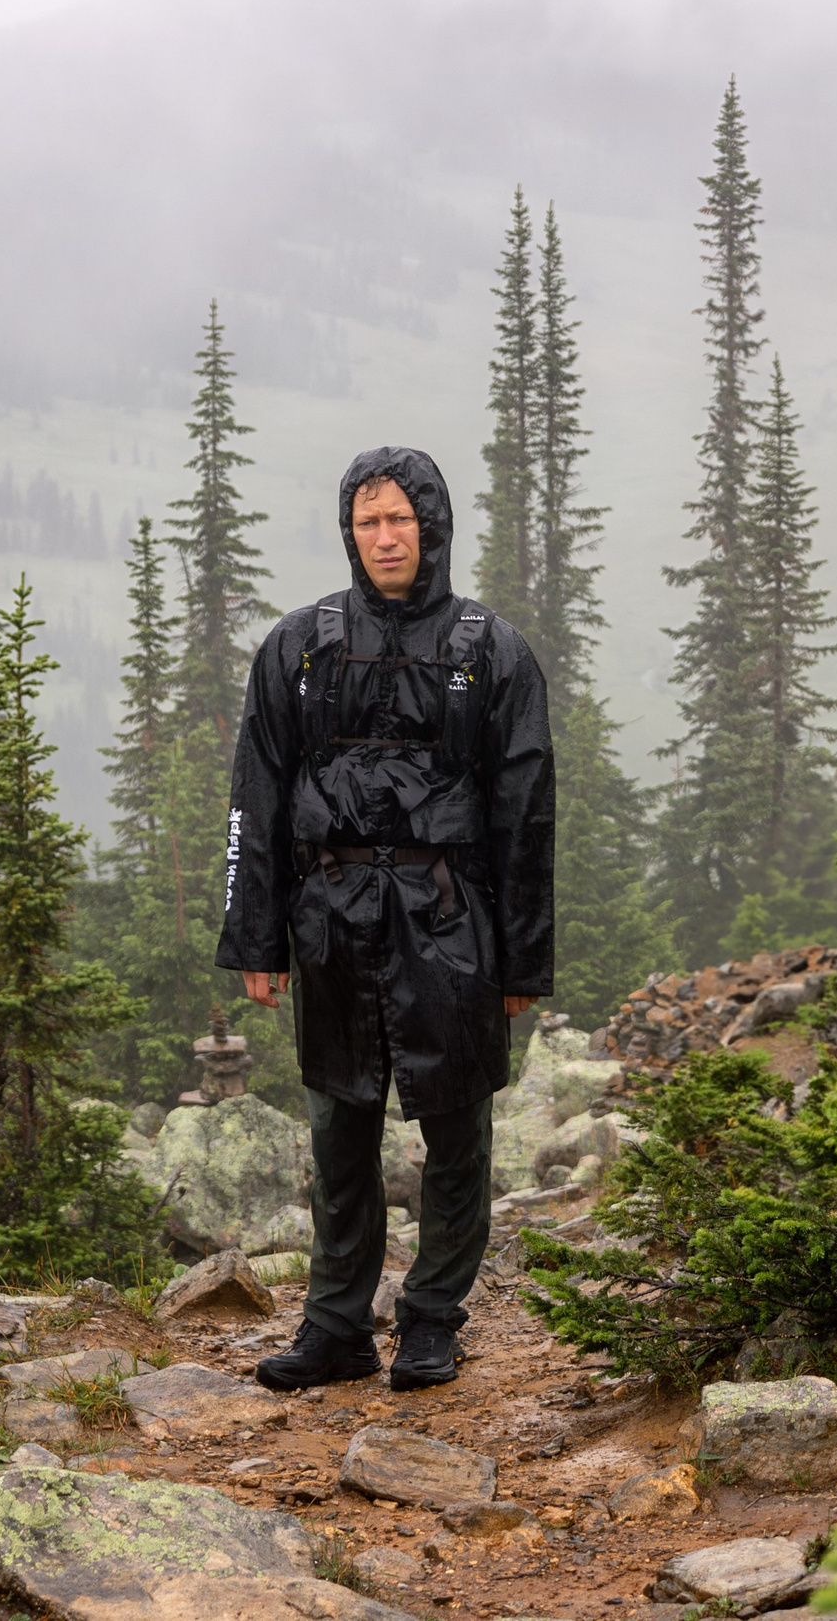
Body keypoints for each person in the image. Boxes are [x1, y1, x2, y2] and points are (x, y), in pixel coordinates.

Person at [217, 445, 553, 1392]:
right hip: (331, 921)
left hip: (449, 921)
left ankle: (433, 1318)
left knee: (455, 1128)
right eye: (369, 520)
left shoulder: (492, 651)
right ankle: (334, 1324)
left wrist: (525, 958)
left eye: (401, 518)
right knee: (339, 1125)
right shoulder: (300, 647)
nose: (385, 536)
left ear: (433, 525)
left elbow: (524, 813)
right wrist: (256, 934)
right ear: (349, 530)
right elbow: (258, 795)